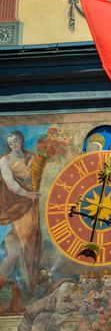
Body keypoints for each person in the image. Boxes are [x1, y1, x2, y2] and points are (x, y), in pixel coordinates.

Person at [0, 130, 40, 312]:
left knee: (30, 247)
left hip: (32, 207)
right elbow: (10, 184)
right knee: (15, 251)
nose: (13, 144)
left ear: (21, 140)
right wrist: (28, 194)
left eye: (15, 140)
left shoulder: (32, 157)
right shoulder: (5, 160)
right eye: (10, 142)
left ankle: (28, 289)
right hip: (13, 209)